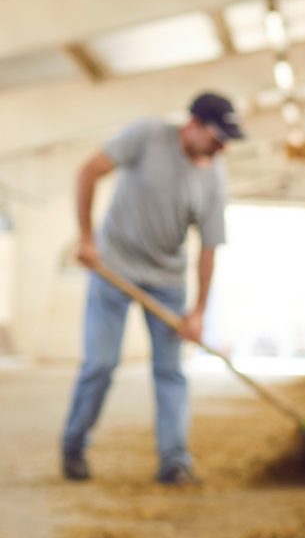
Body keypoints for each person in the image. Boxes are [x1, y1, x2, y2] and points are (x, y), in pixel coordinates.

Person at [60, 92, 242, 485]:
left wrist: (197, 312)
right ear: (192, 125)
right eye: (215, 137)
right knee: (101, 364)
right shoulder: (147, 135)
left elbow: (209, 248)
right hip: (114, 267)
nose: (220, 148)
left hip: (167, 282)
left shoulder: (214, 176)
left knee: (170, 372)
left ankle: (174, 461)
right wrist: (87, 238)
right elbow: (88, 171)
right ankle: (73, 445)